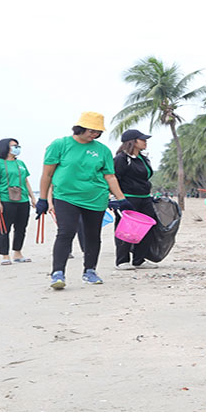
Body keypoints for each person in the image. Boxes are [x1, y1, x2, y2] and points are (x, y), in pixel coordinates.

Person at [36, 112, 133, 289]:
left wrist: (121, 199)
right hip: (66, 196)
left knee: (92, 235)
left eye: (97, 132)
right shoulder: (60, 145)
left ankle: (90, 271)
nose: (94, 134)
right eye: (91, 130)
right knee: (66, 232)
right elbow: (48, 174)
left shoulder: (102, 150)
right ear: (80, 128)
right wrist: (42, 199)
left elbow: (110, 177)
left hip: (95, 198)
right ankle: (58, 273)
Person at [113, 129, 158, 270]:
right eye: (142, 139)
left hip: (145, 198)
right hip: (127, 198)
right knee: (127, 229)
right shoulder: (121, 158)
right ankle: (122, 260)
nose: (145, 142)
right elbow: (114, 179)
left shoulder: (143, 158)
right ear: (132, 141)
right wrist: (118, 199)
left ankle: (139, 259)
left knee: (150, 227)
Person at [0, 138, 36, 265]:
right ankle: (5, 255)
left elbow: (26, 181)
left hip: (23, 199)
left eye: (17, 146)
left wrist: (32, 197)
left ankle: (18, 252)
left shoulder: (20, 163)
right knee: (4, 228)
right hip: (6, 199)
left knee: (21, 227)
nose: (17, 148)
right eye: (14, 146)